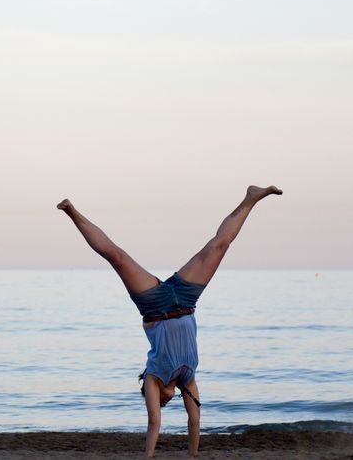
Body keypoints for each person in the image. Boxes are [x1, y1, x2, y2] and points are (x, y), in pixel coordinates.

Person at [57, 185, 282, 457]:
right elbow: (195, 420)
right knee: (219, 246)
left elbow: (154, 423)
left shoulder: (153, 377)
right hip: (186, 301)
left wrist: (148, 457)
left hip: (154, 305)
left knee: (117, 257)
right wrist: (193, 455)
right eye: (164, 403)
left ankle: (71, 211)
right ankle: (251, 198)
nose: (163, 404)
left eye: (161, 403)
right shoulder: (188, 379)